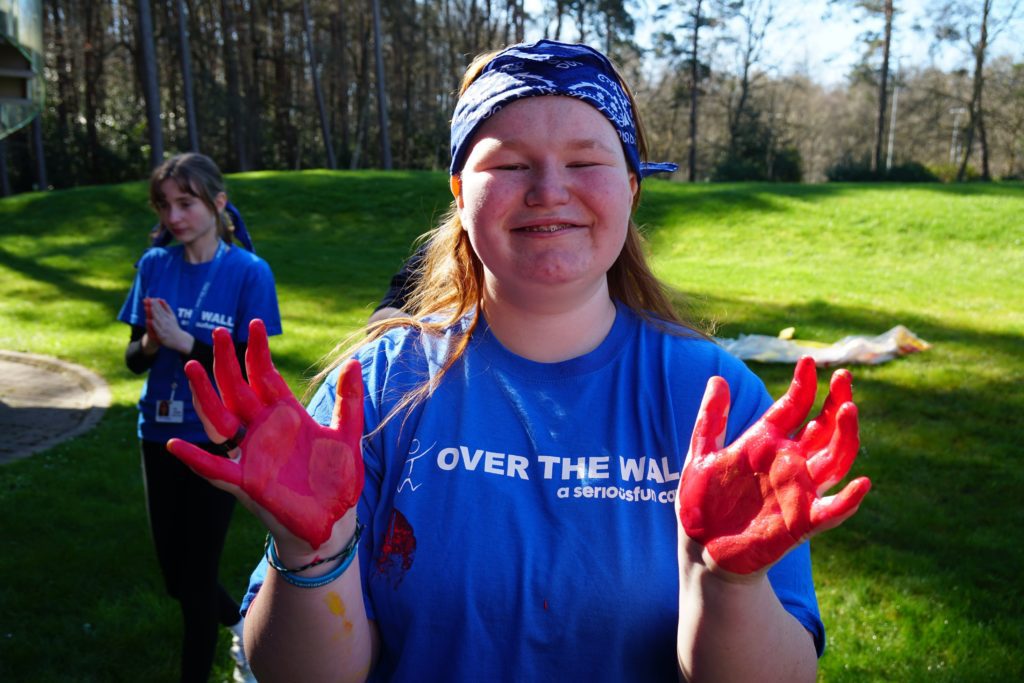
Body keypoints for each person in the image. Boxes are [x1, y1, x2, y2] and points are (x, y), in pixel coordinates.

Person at [167, 40, 871, 682]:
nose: (548, 189)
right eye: (509, 164)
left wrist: (729, 583)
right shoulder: (379, 391)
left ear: (630, 184)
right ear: (459, 193)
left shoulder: (714, 403)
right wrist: (309, 554)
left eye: (585, 161)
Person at [118, 152, 282, 683]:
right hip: (158, 431)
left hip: (218, 437)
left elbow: (252, 368)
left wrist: (184, 342)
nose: (174, 216)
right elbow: (132, 359)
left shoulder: (248, 272)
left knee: (197, 575)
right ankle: (239, 621)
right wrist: (149, 341)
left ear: (218, 203)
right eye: (164, 206)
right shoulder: (153, 267)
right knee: (175, 575)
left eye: (186, 203)